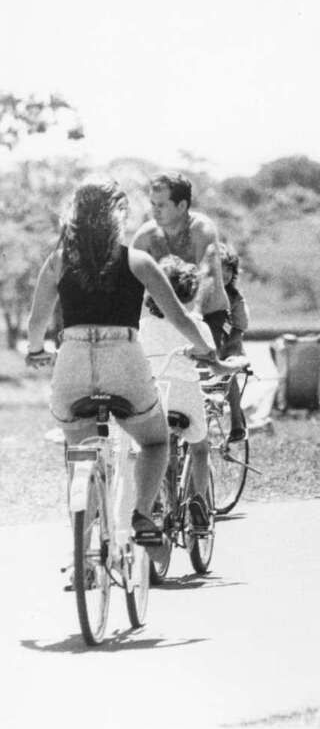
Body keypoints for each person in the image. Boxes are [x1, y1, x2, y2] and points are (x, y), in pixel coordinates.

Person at [25, 182, 216, 545]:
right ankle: (142, 514)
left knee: (79, 454)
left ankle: (80, 554)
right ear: (120, 217)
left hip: (74, 362)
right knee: (156, 442)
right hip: (124, 361)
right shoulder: (138, 261)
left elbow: (37, 322)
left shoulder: (59, 259)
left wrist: (36, 351)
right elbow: (179, 318)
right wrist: (206, 351)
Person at [131, 174, 247, 441]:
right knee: (154, 364)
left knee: (208, 367)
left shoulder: (201, 229)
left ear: (182, 206)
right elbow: (128, 278)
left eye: (161, 205)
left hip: (208, 310)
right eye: (152, 204)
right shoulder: (147, 235)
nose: (154, 211)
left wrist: (192, 312)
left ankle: (225, 421)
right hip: (168, 313)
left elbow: (206, 274)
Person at [139, 256, 233, 528]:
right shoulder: (196, 325)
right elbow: (211, 361)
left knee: (149, 447)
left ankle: (152, 497)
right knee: (200, 447)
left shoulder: (143, 327)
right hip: (184, 394)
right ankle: (199, 503)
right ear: (190, 294)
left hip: (153, 396)